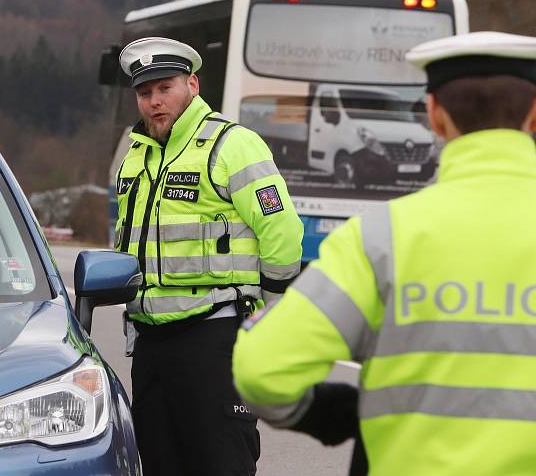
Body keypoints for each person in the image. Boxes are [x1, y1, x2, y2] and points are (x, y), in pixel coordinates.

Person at [232, 31, 536, 475]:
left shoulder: (379, 237)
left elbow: (261, 370)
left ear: (434, 115)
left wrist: (330, 412)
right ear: (534, 113)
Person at [115, 37, 304, 475]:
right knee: (160, 464)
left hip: (214, 338)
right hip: (151, 344)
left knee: (221, 464)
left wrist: (270, 314)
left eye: (165, 89)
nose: (155, 102)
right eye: (145, 93)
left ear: (193, 85)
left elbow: (281, 229)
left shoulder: (232, 145)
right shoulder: (135, 156)